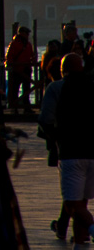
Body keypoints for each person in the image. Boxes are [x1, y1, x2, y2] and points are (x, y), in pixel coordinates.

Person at [50, 52, 93, 243]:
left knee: (71, 205)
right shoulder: (92, 85)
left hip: (70, 152)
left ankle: (91, 229)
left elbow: (46, 119)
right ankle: (80, 237)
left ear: (63, 70)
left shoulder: (58, 87)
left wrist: (54, 139)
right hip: (92, 151)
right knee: (82, 200)